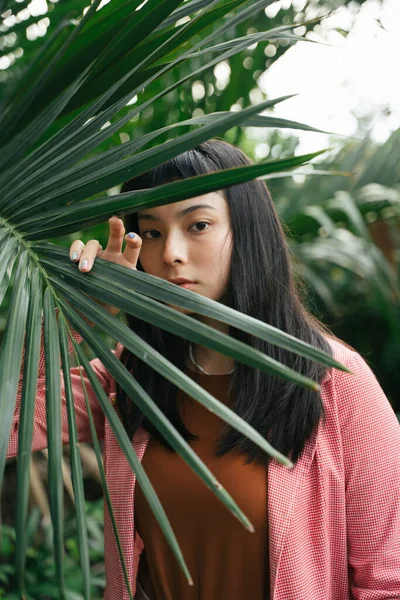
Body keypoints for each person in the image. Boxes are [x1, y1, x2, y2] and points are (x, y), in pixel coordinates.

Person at [8, 140, 400, 600]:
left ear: (248, 232)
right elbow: (8, 424)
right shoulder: (127, 377)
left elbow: (385, 581)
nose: (171, 252)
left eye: (197, 225)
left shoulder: (333, 382)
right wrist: (77, 314)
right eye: (150, 233)